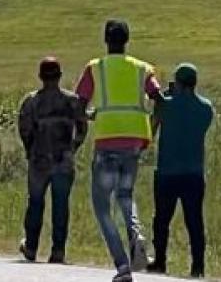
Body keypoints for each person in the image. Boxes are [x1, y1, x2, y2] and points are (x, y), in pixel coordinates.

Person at [75, 19, 163, 282]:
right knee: (125, 194)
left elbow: (79, 104)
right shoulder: (142, 69)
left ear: (106, 40)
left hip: (107, 140)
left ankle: (123, 265)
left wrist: (92, 116)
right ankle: (136, 234)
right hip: (135, 140)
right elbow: (159, 99)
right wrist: (151, 127)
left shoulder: (95, 68)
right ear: (127, 40)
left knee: (102, 207)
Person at [146, 63, 215, 278]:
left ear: (180, 83)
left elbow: (151, 129)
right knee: (194, 220)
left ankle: (160, 261)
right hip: (194, 171)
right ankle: (198, 266)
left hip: (168, 171)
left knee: (162, 220)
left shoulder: (166, 105)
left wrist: (164, 101)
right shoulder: (206, 108)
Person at [18, 56, 88, 264]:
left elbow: (24, 130)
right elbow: (82, 128)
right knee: (61, 205)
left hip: (39, 160)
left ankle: (31, 247)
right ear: (59, 76)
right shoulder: (72, 101)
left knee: (36, 203)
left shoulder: (31, 101)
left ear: (40, 76)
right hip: (63, 160)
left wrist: (30, 150)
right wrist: (73, 147)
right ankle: (58, 251)